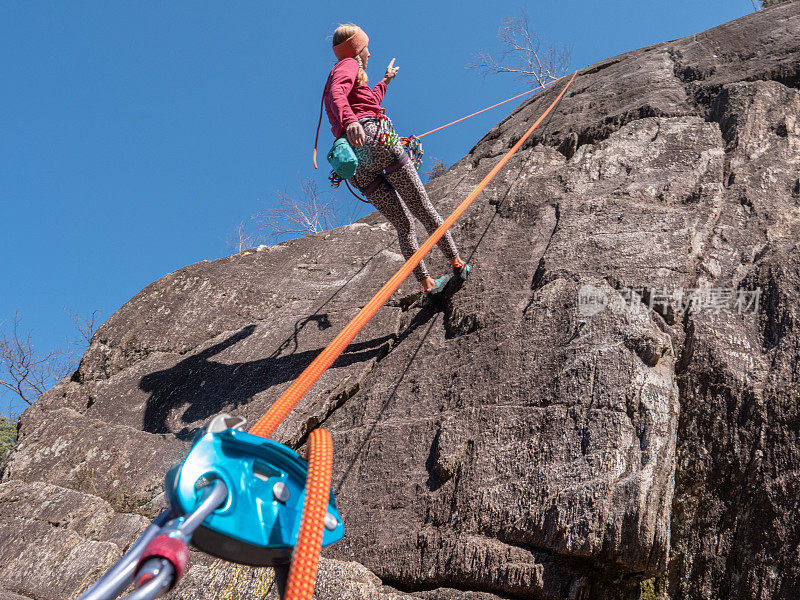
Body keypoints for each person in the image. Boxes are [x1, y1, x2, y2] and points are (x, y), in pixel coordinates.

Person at [322, 23, 471, 295]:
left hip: (356, 164)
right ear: (357, 48)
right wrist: (351, 121)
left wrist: (386, 80)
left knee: (404, 225)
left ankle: (426, 284)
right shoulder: (347, 65)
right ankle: (456, 262)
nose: (370, 52)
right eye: (367, 47)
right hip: (372, 138)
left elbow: (368, 99)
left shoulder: (352, 72)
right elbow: (337, 93)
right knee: (423, 208)